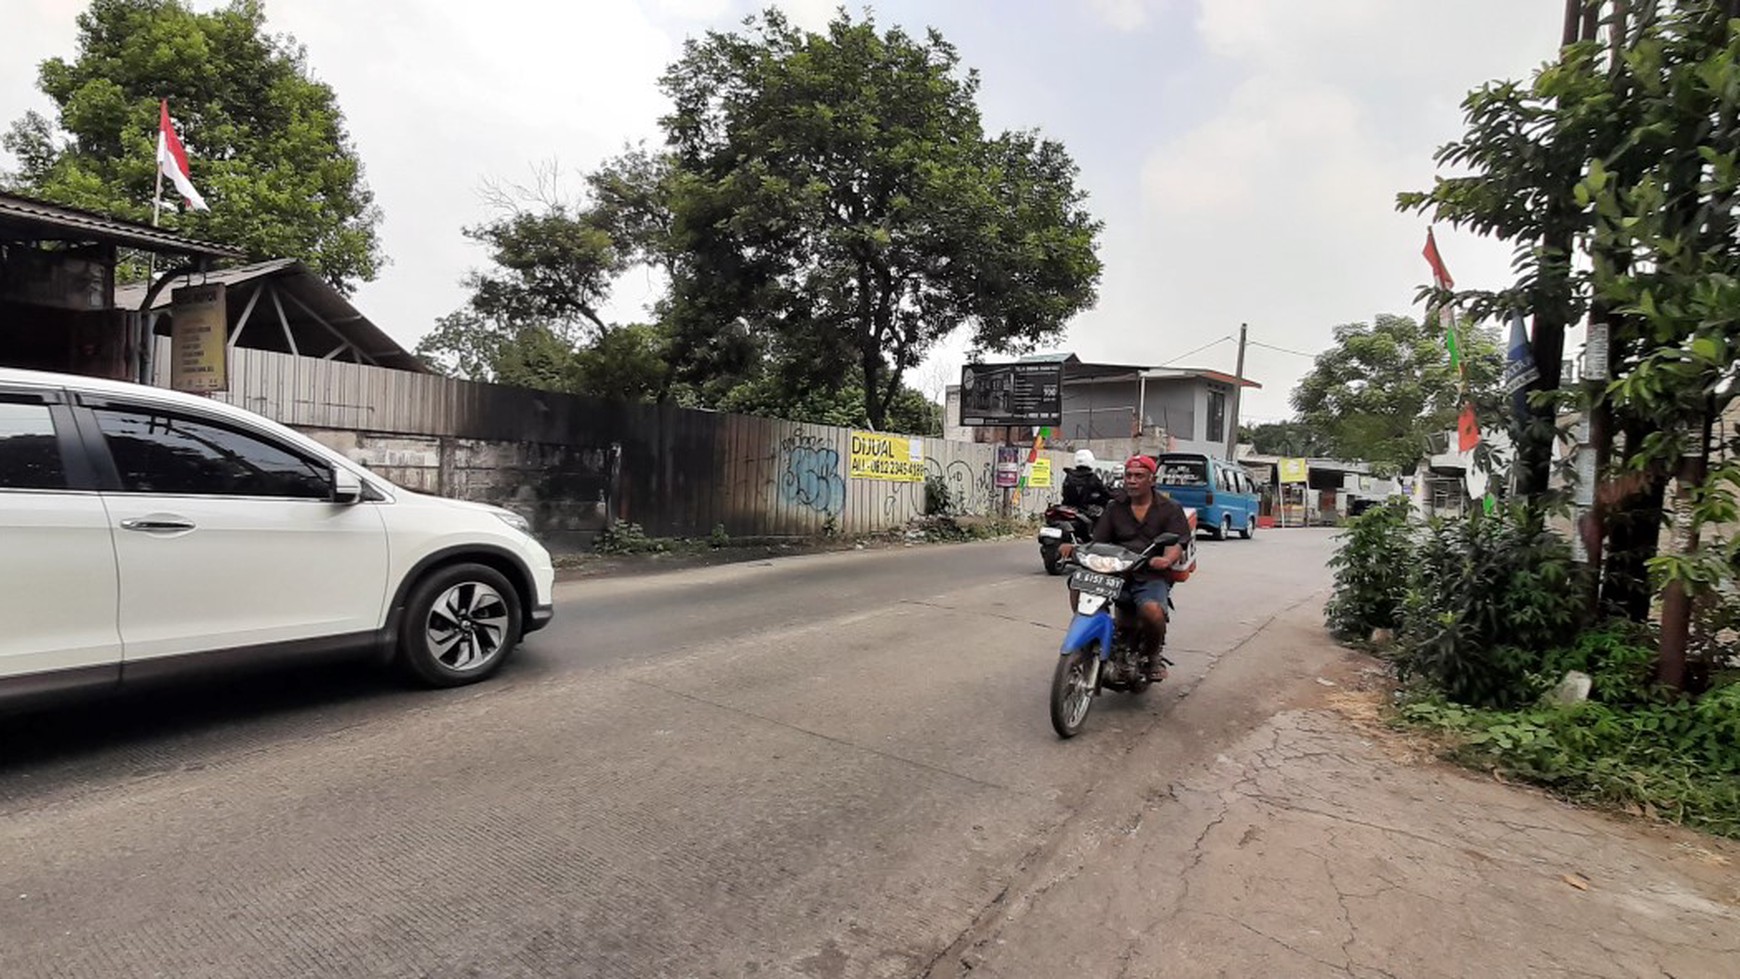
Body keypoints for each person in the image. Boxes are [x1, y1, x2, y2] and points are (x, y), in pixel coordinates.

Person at [1059, 455, 1191, 682]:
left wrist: (1166, 560)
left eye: (1138, 476)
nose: (1132, 480)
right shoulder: (1114, 507)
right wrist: (1076, 549)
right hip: (1114, 572)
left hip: (1149, 574)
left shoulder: (1169, 508)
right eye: (1128, 475)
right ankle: (1091, 635)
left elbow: (1178, 542)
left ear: (1152, 479)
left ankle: (1152, 655)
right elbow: (1098, 541)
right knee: (1078, 583)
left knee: (1153, 612)